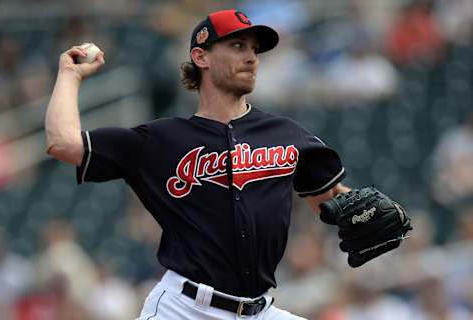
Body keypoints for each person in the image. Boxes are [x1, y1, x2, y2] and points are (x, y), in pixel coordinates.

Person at [45, 9, 407, 319]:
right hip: (185, 308)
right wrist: (69, 75)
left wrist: (371, 211)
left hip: (262, 308)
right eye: (237, 46)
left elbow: (335, 201)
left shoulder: (286, 133)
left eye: (254, 49)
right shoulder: (159, 140)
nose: (251, 57)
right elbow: (63, 144)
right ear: (201, 57)